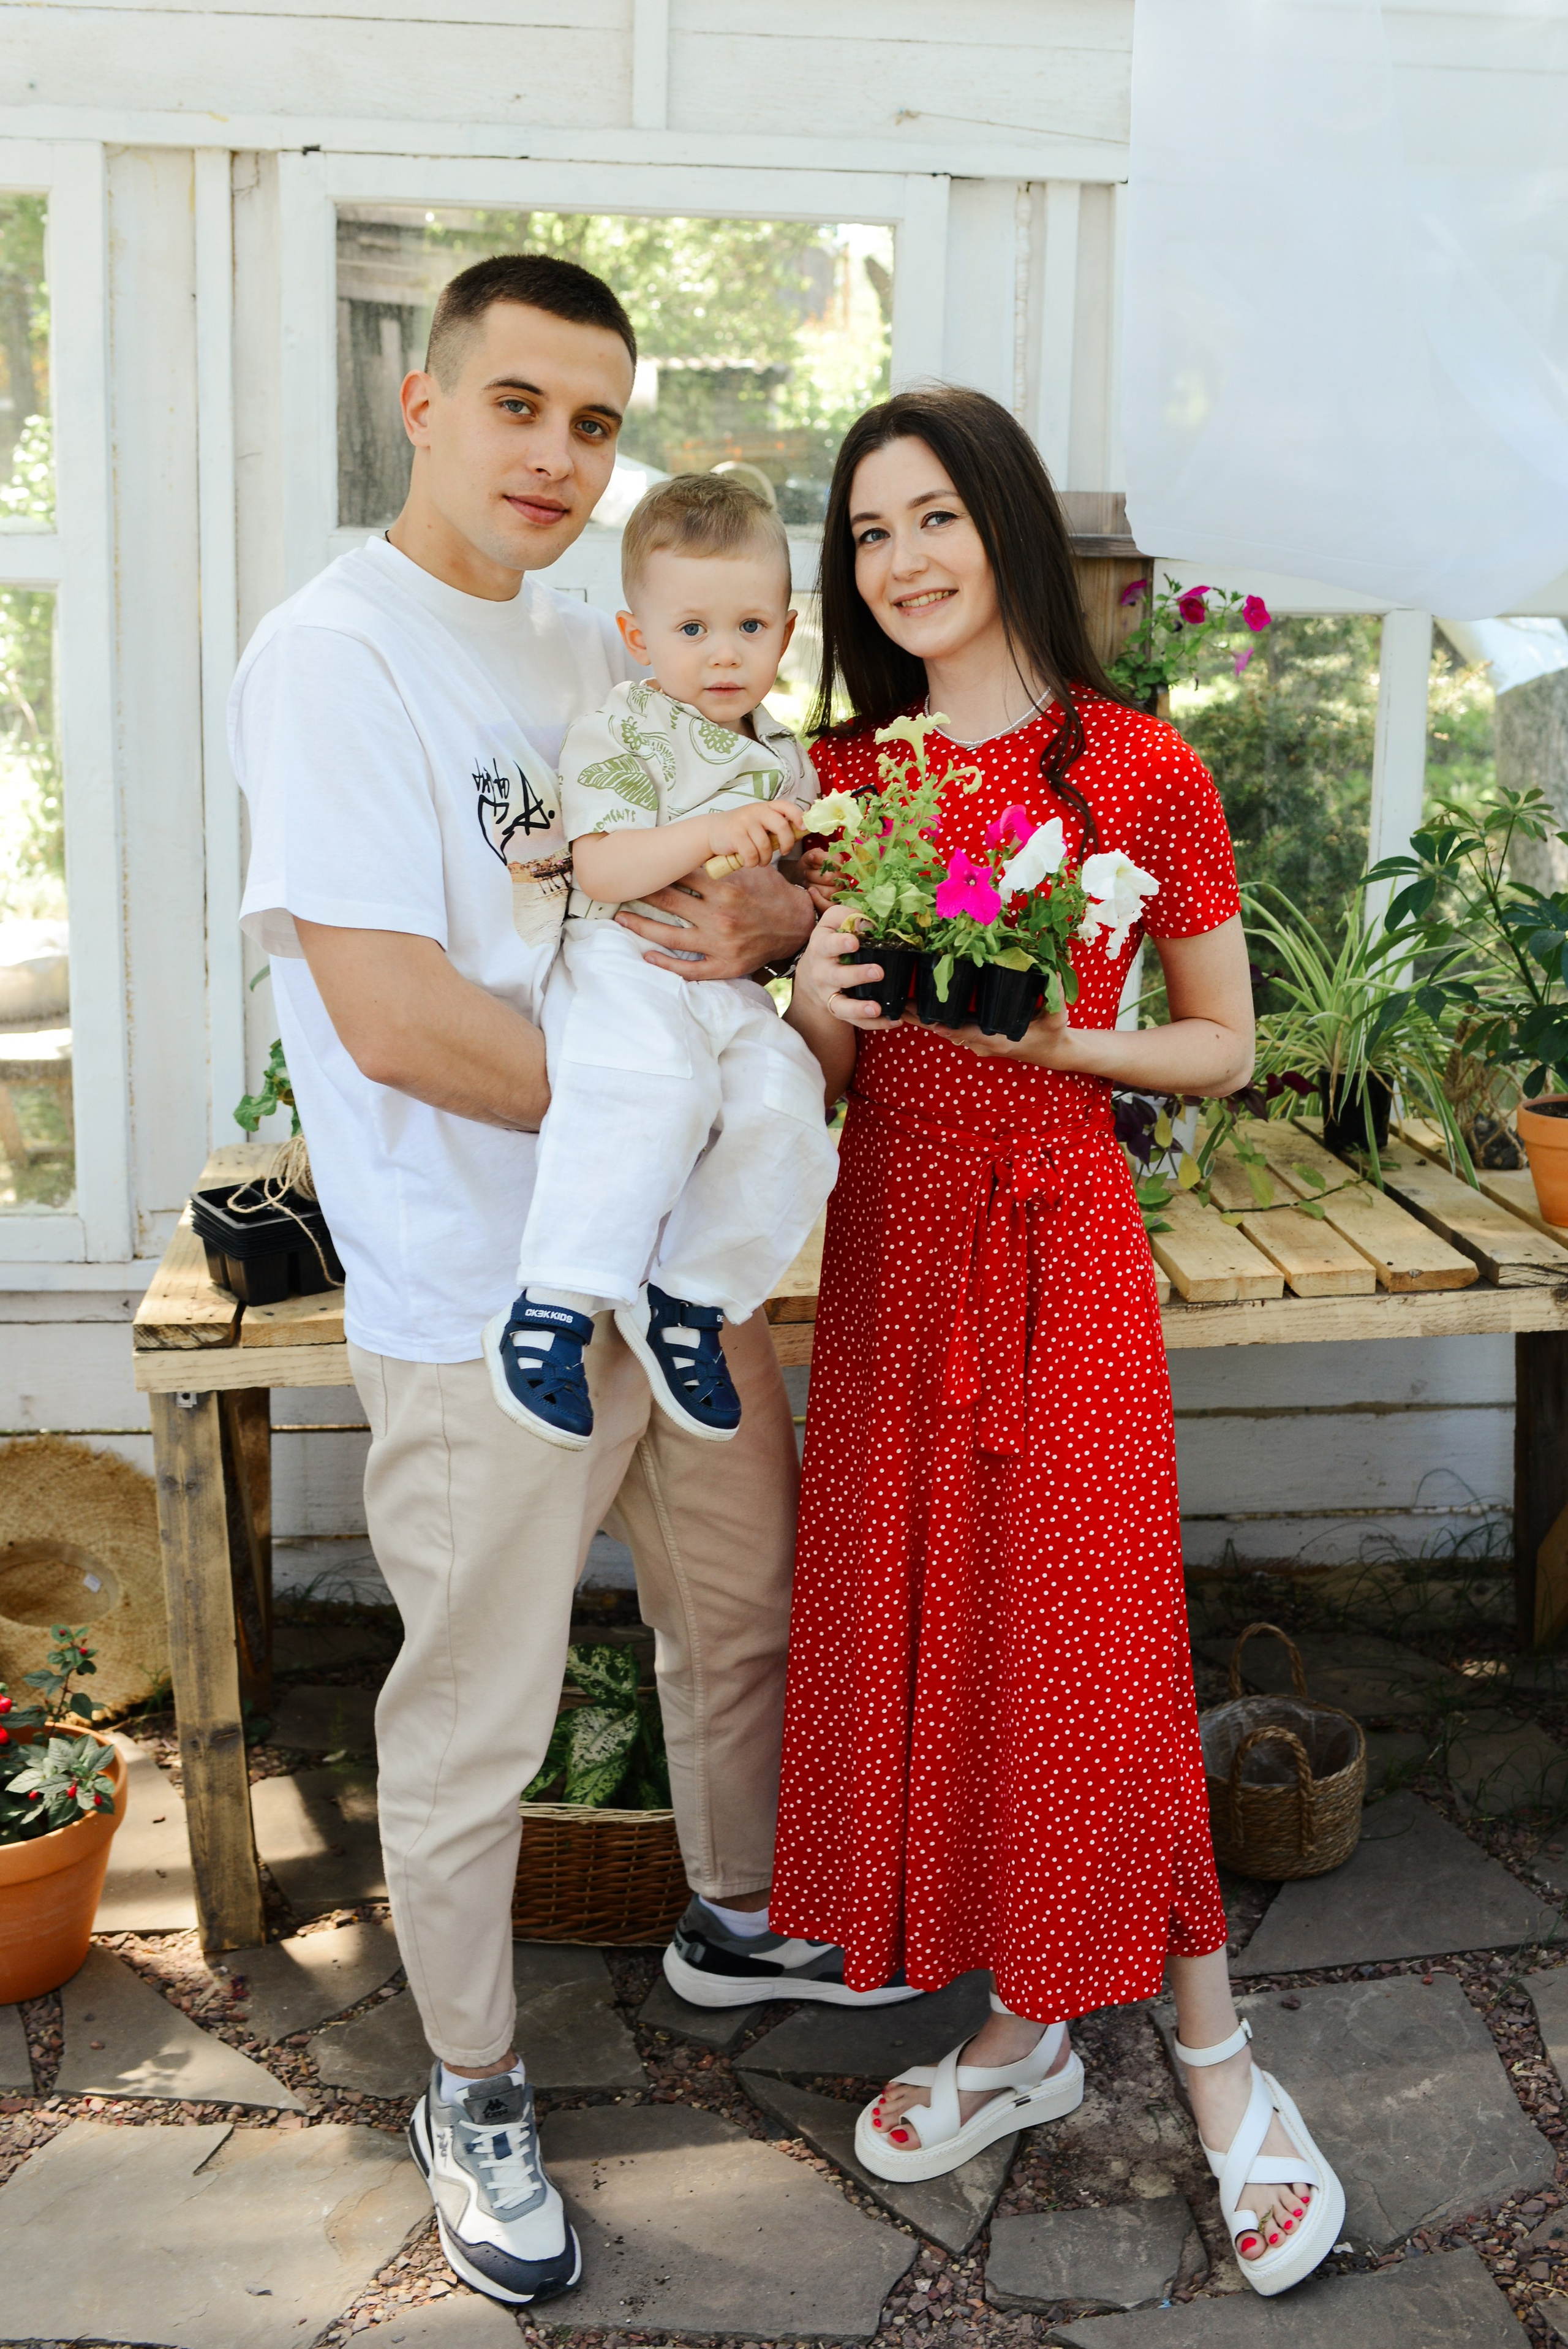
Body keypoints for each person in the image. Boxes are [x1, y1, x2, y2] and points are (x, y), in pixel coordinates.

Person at [230, 252, 909, 2315]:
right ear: (423, 404)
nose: (557, 452)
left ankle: (731, 1909)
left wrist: (781, 920)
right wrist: (693, 1117)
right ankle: (472, 2078)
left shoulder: (587, 647)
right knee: (478, 1718)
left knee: (739, 1621)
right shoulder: (338, 656)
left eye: (595, 422)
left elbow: (730, 873)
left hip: (669, 1285)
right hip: (480, 1288)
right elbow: (400, 1023)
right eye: (520, 404)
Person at [774, 385, 1346, 2298]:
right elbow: (840, 1072)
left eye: (932, 516)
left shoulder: (1137, 768)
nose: (904, 560)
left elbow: (1226, 1043)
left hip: (1058, 1235)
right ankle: (1024, 2028)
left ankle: (1214, 2056)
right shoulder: (847, 780)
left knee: (1092, 1639)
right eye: (869, 535)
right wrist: (807, 983)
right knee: (945, 1632)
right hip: (896, 1244)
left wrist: (1061, 1043)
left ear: (1004, 527)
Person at [484, 472, 840, 1451]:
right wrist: (713, 827)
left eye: (749, 628)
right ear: (639, 636)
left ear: (785, 626)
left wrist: (817, 874)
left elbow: (794, 883)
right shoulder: (622, 728)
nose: (723, 654)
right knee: (653, 1089)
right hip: (624, 959)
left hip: (726, 986)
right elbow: (600, 862)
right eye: (691, 630)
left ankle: (687, 1295)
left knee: (786, 1101)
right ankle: (553, 1305)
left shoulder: (784, 753)